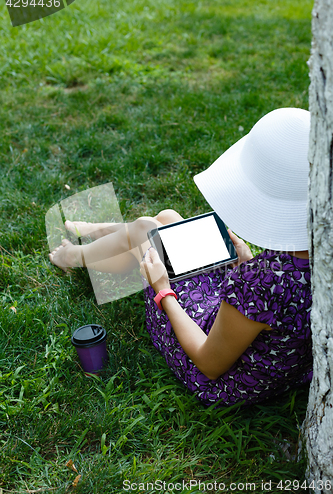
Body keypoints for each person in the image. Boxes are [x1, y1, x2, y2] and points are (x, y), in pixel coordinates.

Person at [49, 107, 312, 407]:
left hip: (222, 378)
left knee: (147, 232)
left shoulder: (259, 281)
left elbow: (208, 362)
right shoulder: (309, 260)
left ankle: (77, 255)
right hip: (276, 365)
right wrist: (249, 261)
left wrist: (163, 291)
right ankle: (102, 233)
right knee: (168, 219)